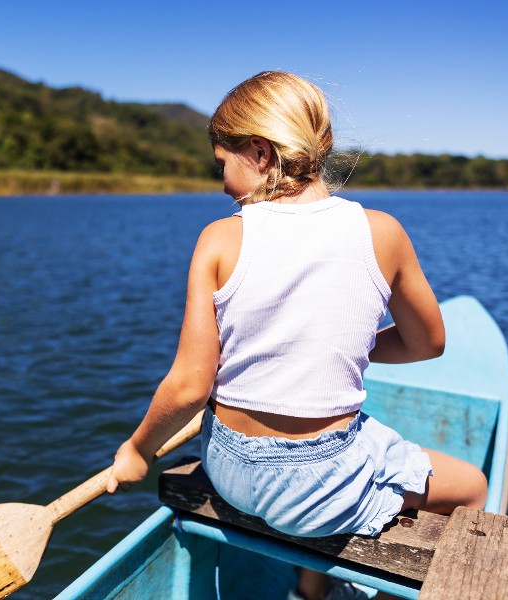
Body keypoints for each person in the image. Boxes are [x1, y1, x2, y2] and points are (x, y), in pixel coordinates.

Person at [106, 71, 487, 600]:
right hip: (320, 492)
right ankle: (316, 589)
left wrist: (136, 450)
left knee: (366, 442)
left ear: (260, 153)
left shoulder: (219, 239)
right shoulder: (381, 232)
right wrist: (346, 346)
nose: (222, 184)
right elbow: (428, 343)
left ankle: (312, 587)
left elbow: (192, 384)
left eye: (223, 165)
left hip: (230, 470)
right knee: (472, 487)